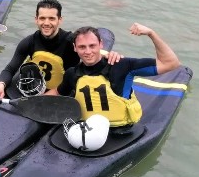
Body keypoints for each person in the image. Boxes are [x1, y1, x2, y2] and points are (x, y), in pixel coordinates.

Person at [0, 0, 121, 100]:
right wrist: (0, 85)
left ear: (60, 20)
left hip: (62, 90)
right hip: (34, 86)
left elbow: (90, 52)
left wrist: (109, 55)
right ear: (36, 20)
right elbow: (10, 68)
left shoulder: (71, 41)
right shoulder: (29, 42)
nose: (46, 23)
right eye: (42, 18)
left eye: (51, 18)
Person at [50, 24, 180, 127]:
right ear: (75, 48)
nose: (88, 51)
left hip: (121, 130)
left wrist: (151, 33)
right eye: (82, 47)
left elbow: (171, 63)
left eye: (92, 46)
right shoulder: (72, 74)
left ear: (101, 44)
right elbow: (57, 92)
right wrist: (36, 101)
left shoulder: (122, 65)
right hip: (87, 128)